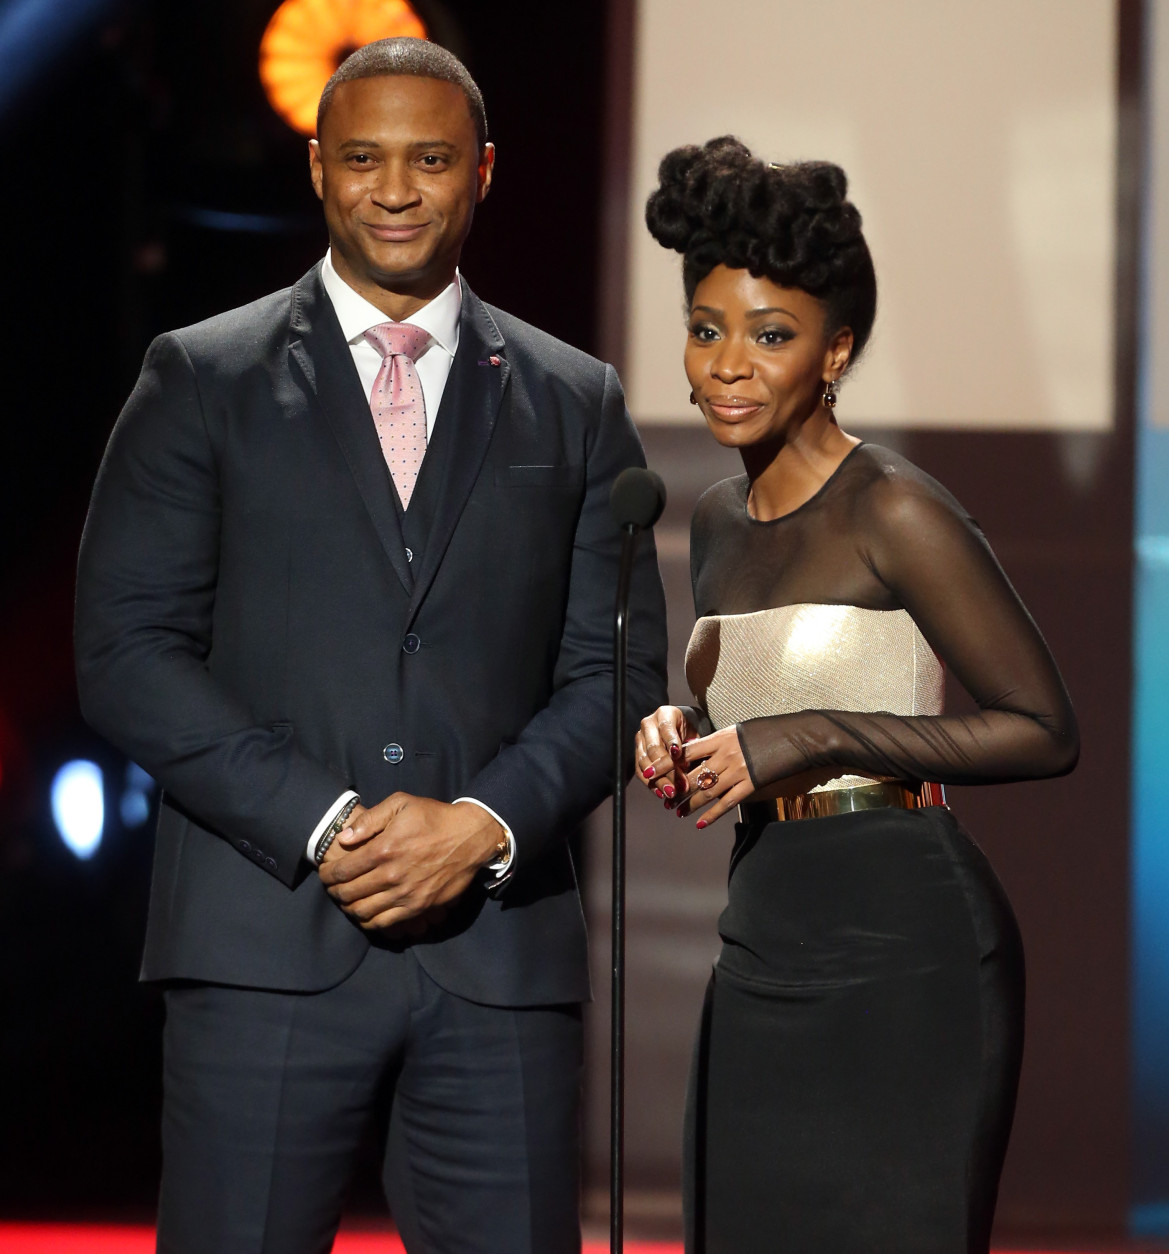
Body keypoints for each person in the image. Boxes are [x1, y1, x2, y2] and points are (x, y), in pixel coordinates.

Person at [75, 37, 667, 1254]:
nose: (395, 189)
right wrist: (327, 820)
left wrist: (482, 825)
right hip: (262, 940)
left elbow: (615, 673)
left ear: (484, 172)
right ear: (317, 170)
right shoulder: (200, 377)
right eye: (364, 158)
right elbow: (127, 651)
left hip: (498, 961)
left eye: (431, 159)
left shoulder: (574, 397)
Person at [633, 137, 1079, 1254]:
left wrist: (810, 735)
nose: (727, 364)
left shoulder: (893, 508)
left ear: (833, 354)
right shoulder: (720, 523)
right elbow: (758, 706)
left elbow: (1041, 728)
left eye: (770, 336)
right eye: (704, 329)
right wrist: (685, 735)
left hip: (906, 945)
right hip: (764, 934)